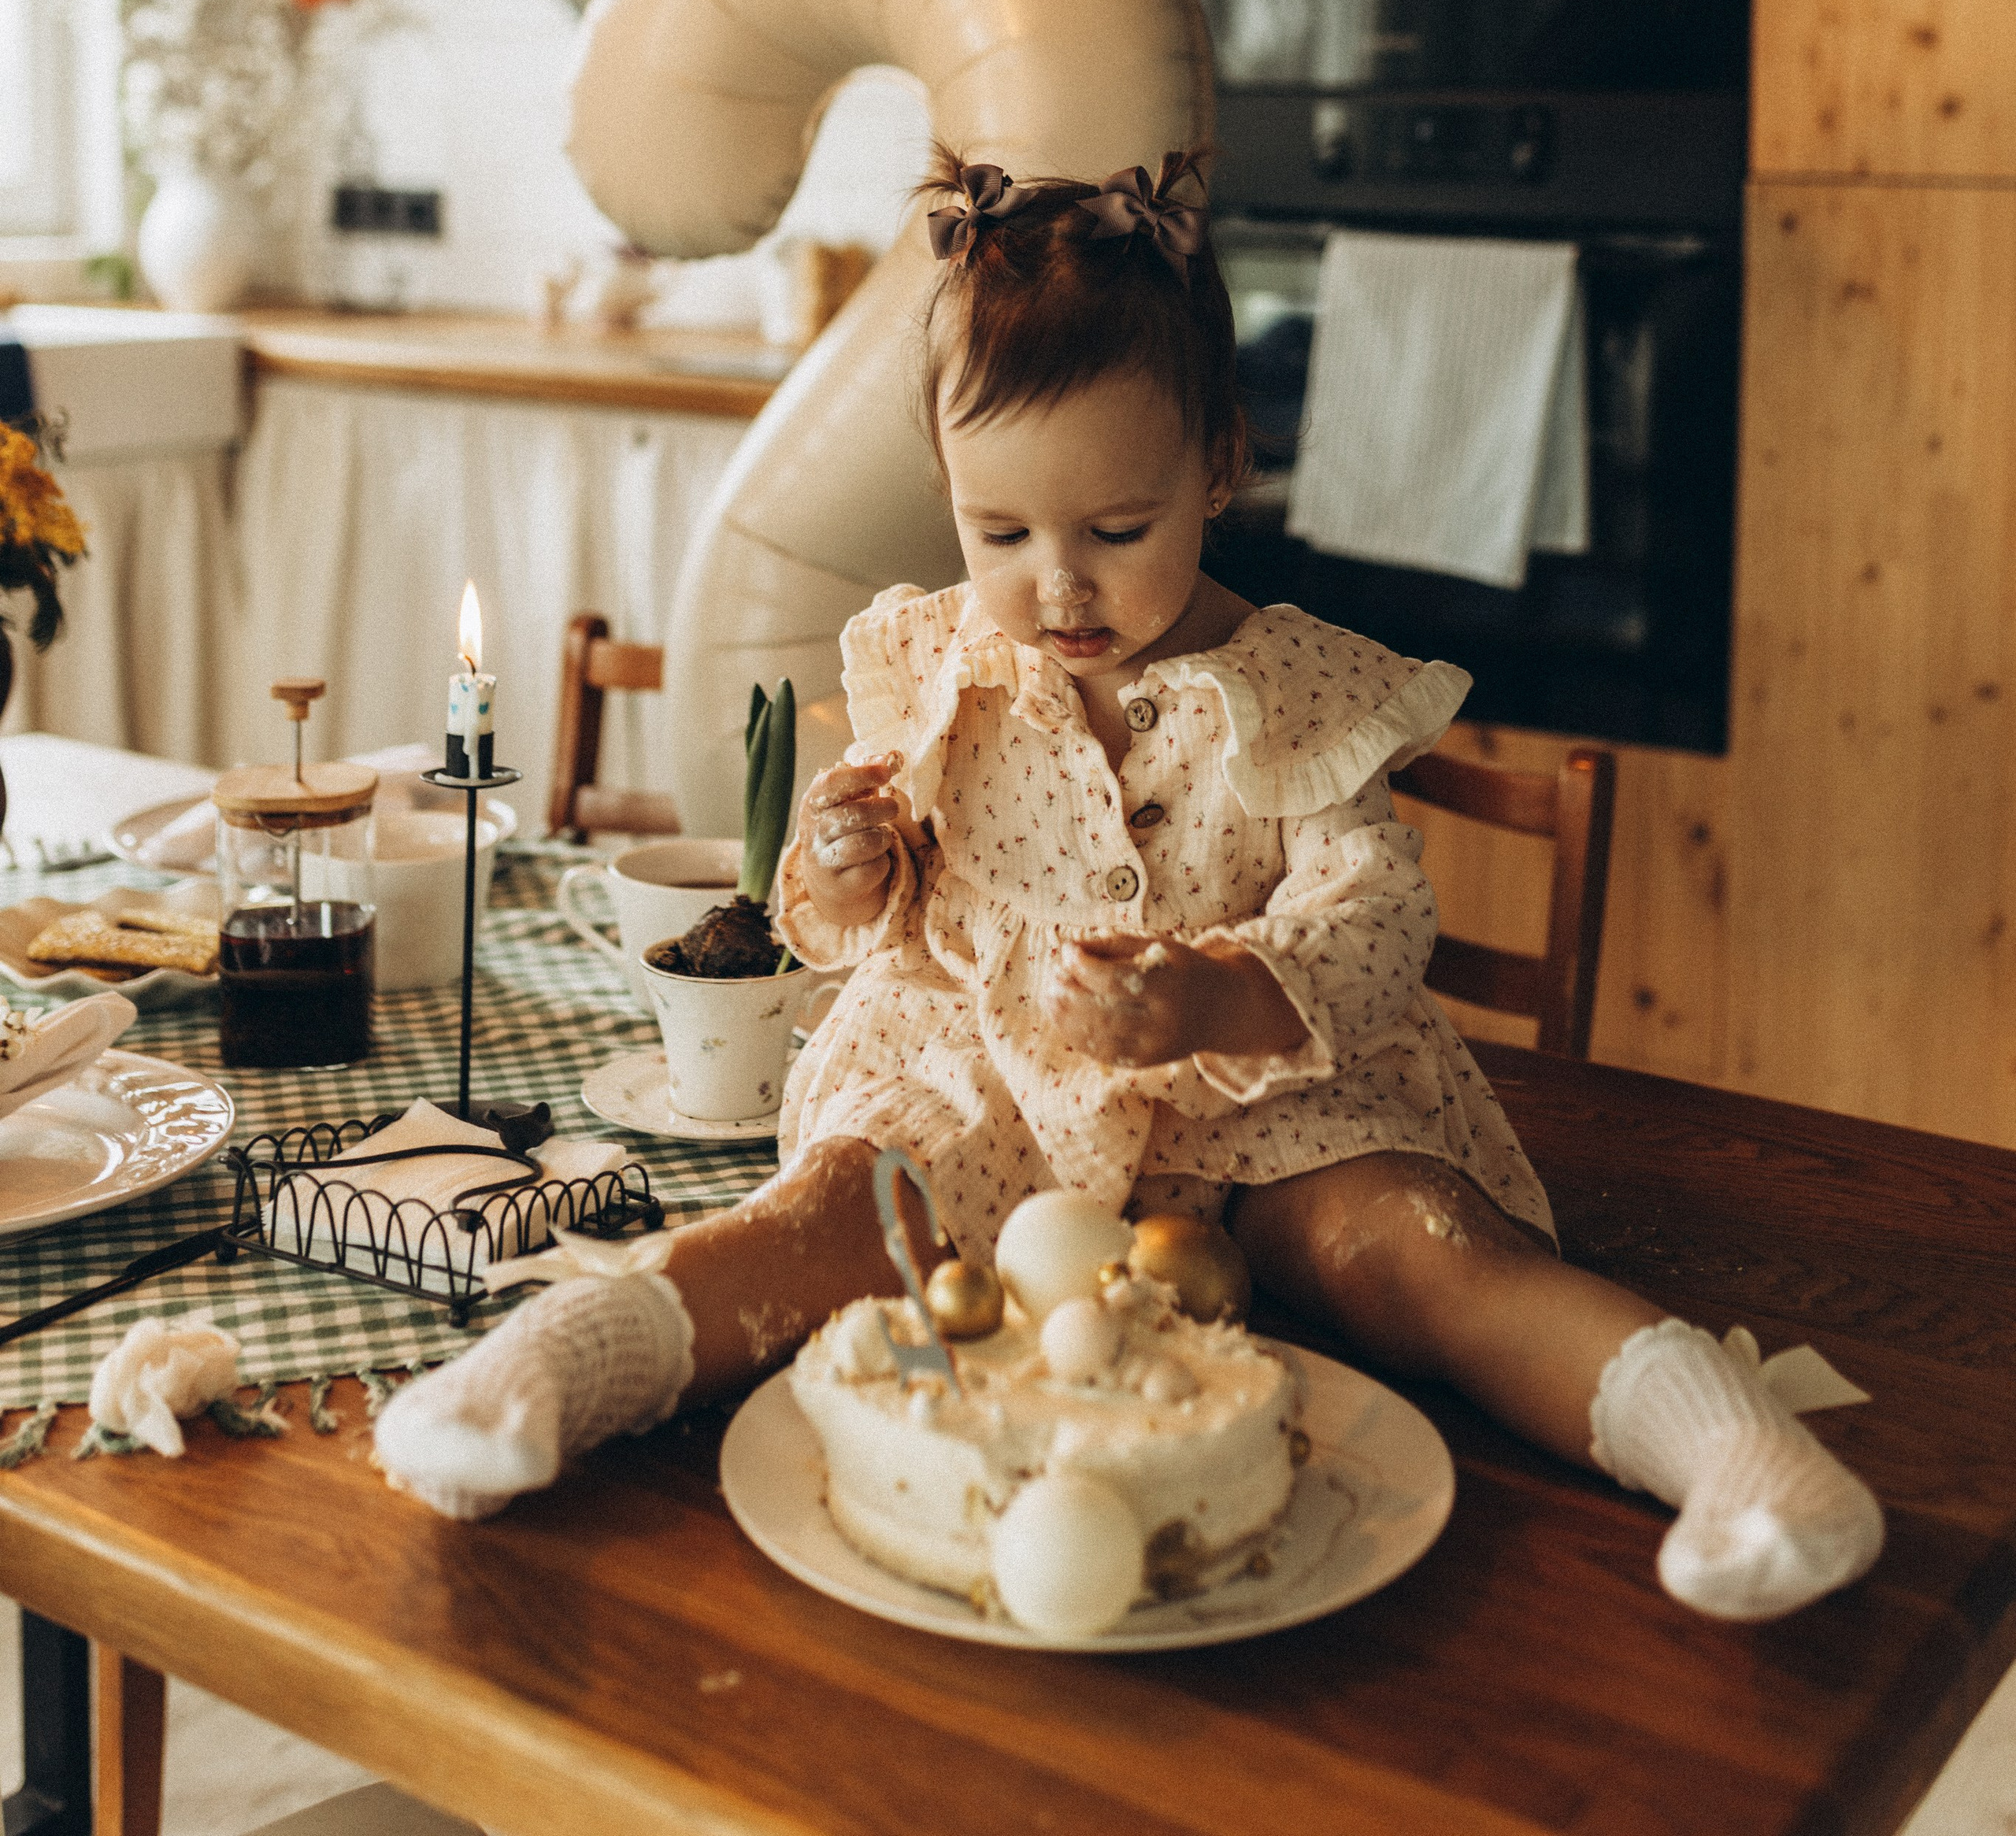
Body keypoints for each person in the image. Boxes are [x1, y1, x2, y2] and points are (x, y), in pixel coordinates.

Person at [378, 151, 1882, 1623]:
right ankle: (556, 1365)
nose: (1056, 587)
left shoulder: (1295, 691)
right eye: (999, 533)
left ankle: (1741, 1457)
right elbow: (850, 922)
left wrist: (1225, 986)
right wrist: (844, 866)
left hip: (1260, 1103)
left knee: (1420, 1257)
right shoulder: (940, 664)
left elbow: (1379, 920)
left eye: (1116, 531)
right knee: (829, 1220)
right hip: (980, 1085)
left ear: (1219, 464)